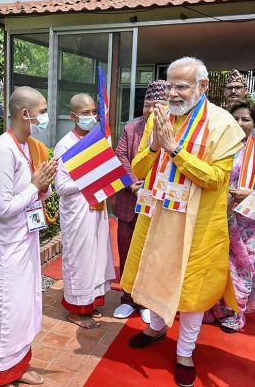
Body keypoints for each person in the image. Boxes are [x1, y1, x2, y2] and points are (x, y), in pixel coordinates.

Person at [121, 57, 245, 387]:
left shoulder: (223, 124)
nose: (173, 93)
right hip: (159, 216)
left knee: (192, 288)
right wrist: (152, 146)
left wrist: (175, 151)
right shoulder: (159, 118)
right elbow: (140, 168)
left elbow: (217, 179)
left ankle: (185, 351)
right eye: (170, 85)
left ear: (203, 87)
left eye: (182, 86)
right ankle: (158, 327)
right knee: (156, 273)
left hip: (198, 224)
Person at [0, 86, 58, 387]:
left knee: (22, 310)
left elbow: (34, 195)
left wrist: (44, 184)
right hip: (2, 250)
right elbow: (3, 207)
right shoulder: (1, 150)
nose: (46, 117)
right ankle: (1, 374)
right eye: (43, 111)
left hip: (23, 242)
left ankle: (18, 366)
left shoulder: (28, 147)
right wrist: (35, 185)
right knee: (4, 313)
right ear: (25, 114)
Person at [204, 100, 255, 333]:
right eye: (236, 118)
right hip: (218, 214)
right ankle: (212, 307)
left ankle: (234, 312)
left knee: (241, 266)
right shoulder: (218, 146)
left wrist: (252, 194)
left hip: (247, 220)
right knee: (216, 263)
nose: (240, 123)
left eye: (246, 119)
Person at [54, 93, 115, 329]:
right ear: (73, 116)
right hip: (77, 212)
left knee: (97, 256)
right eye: (85, 113)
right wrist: (90, 178)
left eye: (93, 112)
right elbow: (61, 187)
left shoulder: (96, 140)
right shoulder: (66, 144)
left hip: (97, 209)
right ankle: (76, 309)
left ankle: (90, 302)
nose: (91, 117)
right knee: (79, 259)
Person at [112, 80, 168, 323]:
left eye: (157, 105)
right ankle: (127, 298)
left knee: (151, 256)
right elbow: (120, 156)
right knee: (126, 251)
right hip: (129, 201)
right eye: (147, 104)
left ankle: (145, 302)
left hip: (158, 205)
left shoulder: (173, 131)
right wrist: (134, 183)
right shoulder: (131, 127)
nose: (151, 110)